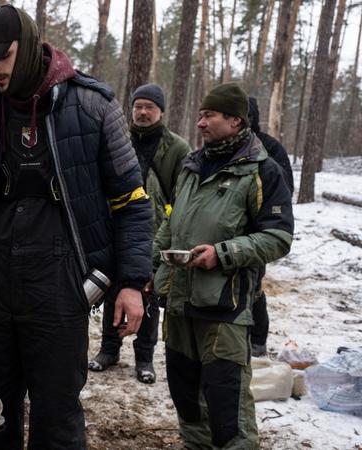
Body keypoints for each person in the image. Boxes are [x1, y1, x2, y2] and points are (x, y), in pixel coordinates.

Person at [0, 5, 153, 449]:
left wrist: (132, 282)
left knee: (57, 415)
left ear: (26, 49)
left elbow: (132, 204)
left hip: (60, 288)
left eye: (1, 57)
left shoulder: (92, 106)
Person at [155, 82, 293, 449]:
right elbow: (171, 226)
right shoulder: (191, 166)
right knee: (186, 396)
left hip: (225, 308)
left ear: (235, 120)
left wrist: (223, 253)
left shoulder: (262, 171)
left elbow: (279, 237)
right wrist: (151, 270)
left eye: (209, 115)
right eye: (200, 115)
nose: (200, 123)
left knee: (226, 405)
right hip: (181, 303)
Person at [89, 83, 190, 385]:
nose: (143, 112)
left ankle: (144, 357)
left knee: (148, 293)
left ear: (161, 111)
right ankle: (109, 349)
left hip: (156, 234)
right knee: (112, 289)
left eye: (149, 107)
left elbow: (182, 197)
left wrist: (169, 233)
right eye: (138, 106)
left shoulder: (176, 149)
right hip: (115, 230)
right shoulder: (118, 140)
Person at [247, 96, 294, 357]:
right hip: (225, 232)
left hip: (258, 233)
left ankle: (257, 339)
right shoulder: (224, 146)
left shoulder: (271, 148)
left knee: (253, 285)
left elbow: (285, 188)